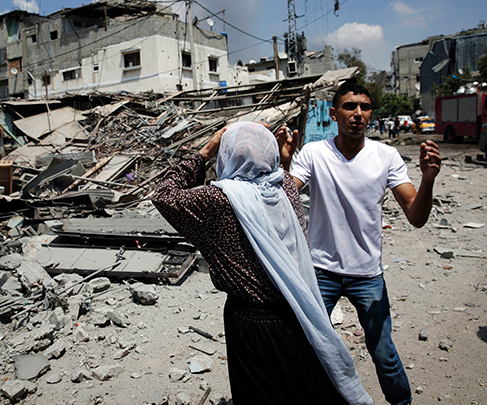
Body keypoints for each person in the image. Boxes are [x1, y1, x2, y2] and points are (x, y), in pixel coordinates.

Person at [153, 122, 372, 405]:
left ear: (226, 155)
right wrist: (282, 159)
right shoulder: (285, 190)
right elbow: (275, 178)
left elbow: (163, 194)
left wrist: (206, 150)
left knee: (259, 393)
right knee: (299, 387)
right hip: (297, 310)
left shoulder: (217, 200)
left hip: (250, 322)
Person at [276, 82, 441, 405]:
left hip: (368, 275)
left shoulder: (386, 156)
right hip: (320, 270)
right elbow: (285, 200)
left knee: (384, 353)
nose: (358, 114)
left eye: (365, 107)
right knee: (306, 346)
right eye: (350, 107)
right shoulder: (314, 153)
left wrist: (428, 179)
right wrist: (284, 163)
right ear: (335, 113)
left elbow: (416, 216)